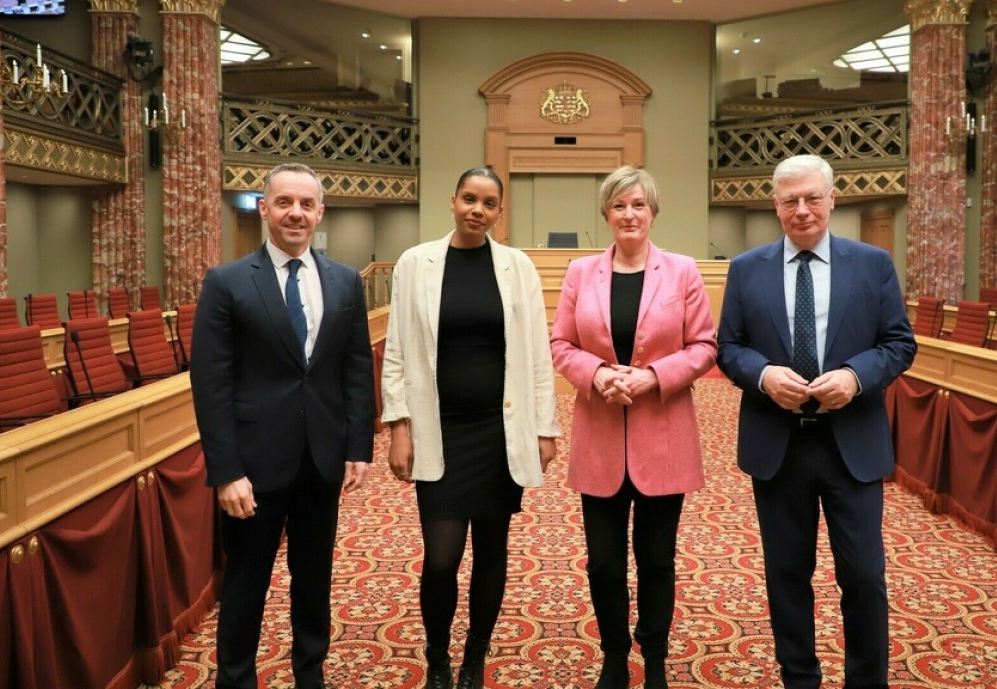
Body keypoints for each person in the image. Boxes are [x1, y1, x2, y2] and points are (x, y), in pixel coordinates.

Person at [716, 154, 916, 689]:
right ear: (775, 206)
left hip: (850, 443)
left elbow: (899, 344)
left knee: (864, 575)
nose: (801, 210)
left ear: (832, 199)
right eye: (789, 201)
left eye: (811, 198)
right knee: (786, 575)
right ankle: (799, 679)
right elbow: (728, 348)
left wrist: (854, 375)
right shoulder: (745, 268)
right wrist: (762, 376)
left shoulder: (872, 264)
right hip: (778, 445)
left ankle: (866, 682)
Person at [191, 162, 375, 689]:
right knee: (246, 583)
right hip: (252, 468)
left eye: (306, 204)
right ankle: (236, 678)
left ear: (321, 212)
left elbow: (356, 367)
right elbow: (211, 384)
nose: (296, 213)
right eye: (284, 202)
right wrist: (226, 472)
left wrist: (357, 445)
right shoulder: (227, 283)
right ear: (265, 208)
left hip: (321, 461)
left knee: (313, 581)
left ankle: (310, 673)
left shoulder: (343, 280)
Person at [381, 167, 560, 689]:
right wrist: (399, 426)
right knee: (441, 558)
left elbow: (536, 355)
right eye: (468, 199)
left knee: (492, 549)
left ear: (500, 212)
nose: (477, 210)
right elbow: (396, 352)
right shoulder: (416, 264)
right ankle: (437, 656)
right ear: (452, 201)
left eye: (488, 203)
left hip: (498, 430)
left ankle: (474, 658)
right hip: (440, 429)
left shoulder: (517, 267)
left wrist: (544, 427)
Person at [550, 166, 717, 689]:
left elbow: (704, 346)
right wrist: (597, 374)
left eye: (639, 205)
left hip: (663, 435)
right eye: (620, 205)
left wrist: (651, 378)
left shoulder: (683, 270)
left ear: (653, 212)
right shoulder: (581, 272)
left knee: (657, 560)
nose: (630, 214)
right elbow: (561, 345)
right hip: (599, 436)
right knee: (603, 564)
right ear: (606, 213)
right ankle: (615, 657)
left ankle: (657, 660)